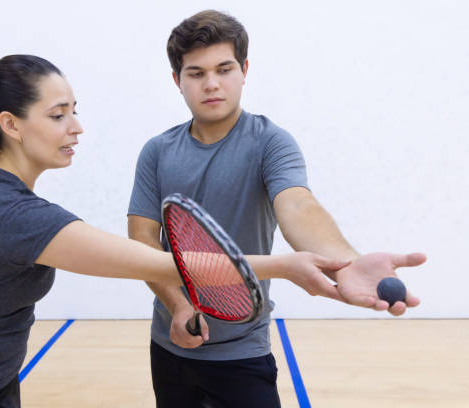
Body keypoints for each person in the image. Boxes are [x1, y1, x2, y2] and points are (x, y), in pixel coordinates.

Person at [0, 54, 357, 408]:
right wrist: (285, 265)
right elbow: (165, 264)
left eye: (74, 111)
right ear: (11, 125)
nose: (77, 128)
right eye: (58, 115)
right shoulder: (14, 215)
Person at [127, 10, 426, 408]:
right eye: (196, 73)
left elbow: (299, 206)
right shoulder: (157, 152)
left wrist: (346, 261)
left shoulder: (271, 143)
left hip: (242, 351)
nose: (212, 83)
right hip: (170, 345)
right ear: (177, 80)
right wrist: (178, 306)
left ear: (244, 70)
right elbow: (142, 239)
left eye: (224, 68)